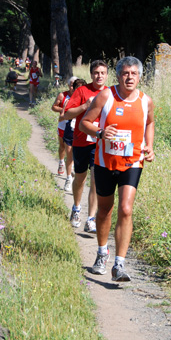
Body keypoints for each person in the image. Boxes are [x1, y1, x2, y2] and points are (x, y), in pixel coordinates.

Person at [80, 56, 154, 282]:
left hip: (132, 161)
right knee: (105, 210)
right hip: (104, 161)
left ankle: (119, 265)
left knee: (126, 208)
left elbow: (149, 123)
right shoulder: (106, 96)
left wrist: (149, 146)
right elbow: (85, 123)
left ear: (140, 76)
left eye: (134, 73)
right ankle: (102, 253)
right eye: (125, 73)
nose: (129, 77)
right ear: (119, 76)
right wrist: (100, 133)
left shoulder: (145, 101)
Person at [62, 60, 108, 232]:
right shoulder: (82, 91)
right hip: (81, 140)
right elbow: (67, 114)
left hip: (99, 142)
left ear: (107, 75)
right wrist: (85, 106)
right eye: (96, 72)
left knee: (96, 179)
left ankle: (91, 218)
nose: (99, 76)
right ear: (91, 74)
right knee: (80, 179)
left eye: (103, 73)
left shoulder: (110, 93)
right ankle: (76, 208)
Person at [51, 76, 78, 191]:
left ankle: (69, 172)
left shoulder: (80, 95)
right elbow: (53, 107)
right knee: (62, 147)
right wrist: (63, 110)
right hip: (63, 124)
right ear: (68, 85)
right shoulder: (63, 95)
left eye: (75, 85)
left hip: (74, 127)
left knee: (70, 150)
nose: (73, 87)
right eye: (71, 85)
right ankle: (62, 162)